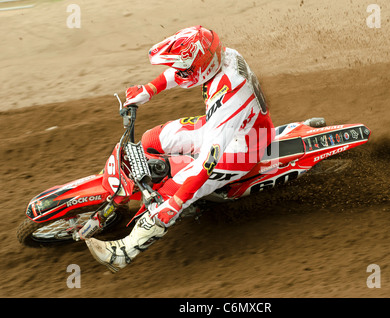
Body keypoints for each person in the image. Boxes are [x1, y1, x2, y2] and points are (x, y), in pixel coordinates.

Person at [85, 25, 275, 273]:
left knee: (169, 194)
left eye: (185, 68)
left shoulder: (230, 98)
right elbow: (185, 71)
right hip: (233, 127)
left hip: (243, 148)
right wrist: (150, 89)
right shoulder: (222, 56)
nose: (180, 72)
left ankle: (124, 252)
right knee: (151, 139)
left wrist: (176, 202)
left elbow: (208, 162)